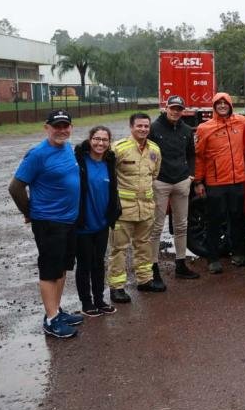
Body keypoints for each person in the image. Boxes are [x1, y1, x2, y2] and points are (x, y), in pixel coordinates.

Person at [9, 110, 85, 338]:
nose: (62, 130)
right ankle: (51, 320)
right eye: (57, 126)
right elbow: (15, 187)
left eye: (66, 126)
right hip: (49, 223)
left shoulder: (67, 149)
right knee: (50, 271)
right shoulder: (38, 154)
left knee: (61, 267)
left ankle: (56, 311)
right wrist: (29, 212)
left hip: (68, 220)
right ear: (47, 127)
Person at [108, 113, 164, 303]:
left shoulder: (154, 150)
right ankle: (117, 287)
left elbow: (154, 174)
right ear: (131, 127)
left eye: (146, 126)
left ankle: (145, 280)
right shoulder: (119, 149)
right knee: (119, 249)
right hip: (123, 210)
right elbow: (108, 174)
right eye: (139, 126)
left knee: (143, 245)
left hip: (146, 209)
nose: (143, 129)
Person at [194, 92, 245, 274]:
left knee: (237, 219)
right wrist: (198, 181)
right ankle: (213, 258)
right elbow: (199, 157)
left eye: (226, 103)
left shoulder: (241, 122)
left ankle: (238, 253)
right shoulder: (205, 128)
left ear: (231, 105)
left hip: (238, 180)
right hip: (216, 182)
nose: (223, 106)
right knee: (214, 221)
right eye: (219, 104)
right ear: (214, 107)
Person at [148, 95, 199, 281]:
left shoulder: (186, 130)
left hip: (181, 182)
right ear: (166, 108)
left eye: (179, 109)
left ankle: (181, 264)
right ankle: (153, 268)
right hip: (160, 182)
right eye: (173, 108)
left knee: (181, 225)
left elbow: (191, 154)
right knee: (156, 226)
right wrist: (151, 177)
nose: (176, 112)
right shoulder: (154, 128)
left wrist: (191, 176)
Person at [73, 125, 121, 317]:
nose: (100, 143)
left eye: (104, 140)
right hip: (83, 223)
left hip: (102, 223)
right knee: (84, 263)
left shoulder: (109, 162)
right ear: (90, 139)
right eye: (97, 139)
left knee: (99, 262)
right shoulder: (79, 161)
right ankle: (86, 302)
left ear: (109, 143)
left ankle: (100, 300)